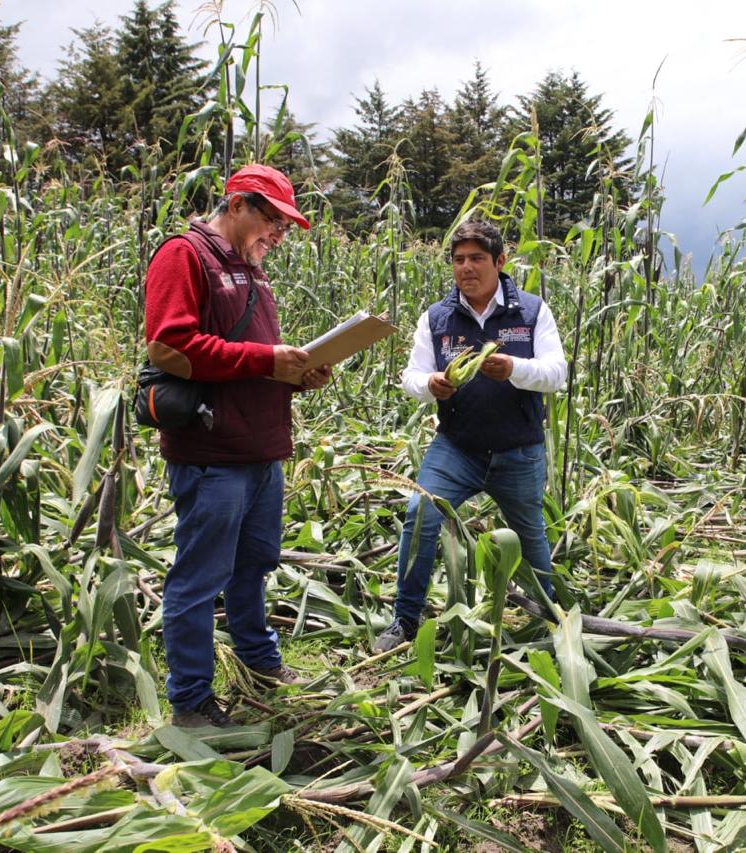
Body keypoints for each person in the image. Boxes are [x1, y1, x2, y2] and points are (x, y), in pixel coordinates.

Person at [144, 164, 332, 728]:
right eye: (273, 221)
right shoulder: (184, 255)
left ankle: (257, 659)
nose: (278, 235)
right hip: (211, 452)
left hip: (260, 449)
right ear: (239, 205)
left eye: (283, 227)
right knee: (199, 578)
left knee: (253, 566)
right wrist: (267, 360)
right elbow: (171, 346)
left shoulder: (252, 270)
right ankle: (192, 699)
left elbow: (252, 357)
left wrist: (296, 372)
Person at [373, 219, 567, 653]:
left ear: (500, 262)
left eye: (477, 258)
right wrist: (431, 385)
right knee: (419, 516)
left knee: (530, 535)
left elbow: (557, 374)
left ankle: (551, 615)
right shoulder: (439, 317)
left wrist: (514, 369)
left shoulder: (531, 312)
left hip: (519, 450)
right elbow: (412, 376)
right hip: (457, 448)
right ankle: (404, 619)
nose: (467, 268)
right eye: (459, 260)